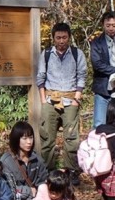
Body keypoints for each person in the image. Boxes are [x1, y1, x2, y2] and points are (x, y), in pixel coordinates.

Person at [37, 22, 87, 181]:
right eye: (58, 37)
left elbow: (82, 76)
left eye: (64, 37)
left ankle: (71, 170)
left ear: (69, 38)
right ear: (53, 38)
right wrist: (43, 100)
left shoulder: (77, 54)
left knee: (71, 138)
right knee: (47, 137)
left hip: (70, 99)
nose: (61, 41)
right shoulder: (46, 54)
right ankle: (48, 170)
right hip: (50, 100)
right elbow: (40, 78)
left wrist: (76, 99)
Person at [0, 121, 49, 200]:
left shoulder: (37, 159)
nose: (29, 142)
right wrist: (28, 191)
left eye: (31, 138)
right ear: (16, 139)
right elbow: (5, 190)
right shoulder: (6, 161)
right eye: (24, 138)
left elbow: (44, 180)